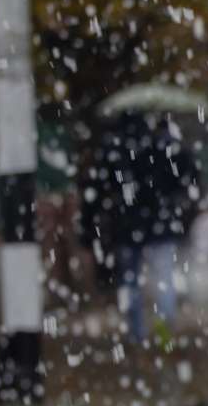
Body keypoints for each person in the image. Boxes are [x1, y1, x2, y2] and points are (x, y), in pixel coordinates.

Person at [79, 111, 200, 342]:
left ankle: (136, 333)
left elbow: (101, 187)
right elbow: (185, 178)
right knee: (163, 278)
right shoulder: (163, 147)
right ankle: (164, 333)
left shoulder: (117, 149)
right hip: (160, 224)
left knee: (130, 281)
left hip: (127, 226)